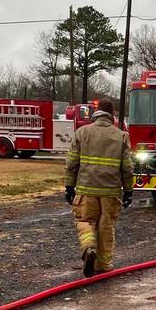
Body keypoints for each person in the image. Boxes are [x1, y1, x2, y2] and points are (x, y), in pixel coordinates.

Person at [65, 99, 135, 277]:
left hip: (86, 189)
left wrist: (69, 185)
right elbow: (127, 168)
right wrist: (128, 190)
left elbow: (72, 163)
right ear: (112, 114)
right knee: (106, 226)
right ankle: (103, 266)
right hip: (111, 192)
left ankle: (89, 247)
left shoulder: (82, 132)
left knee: (85, 221)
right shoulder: (121, 136)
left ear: (96, 112)